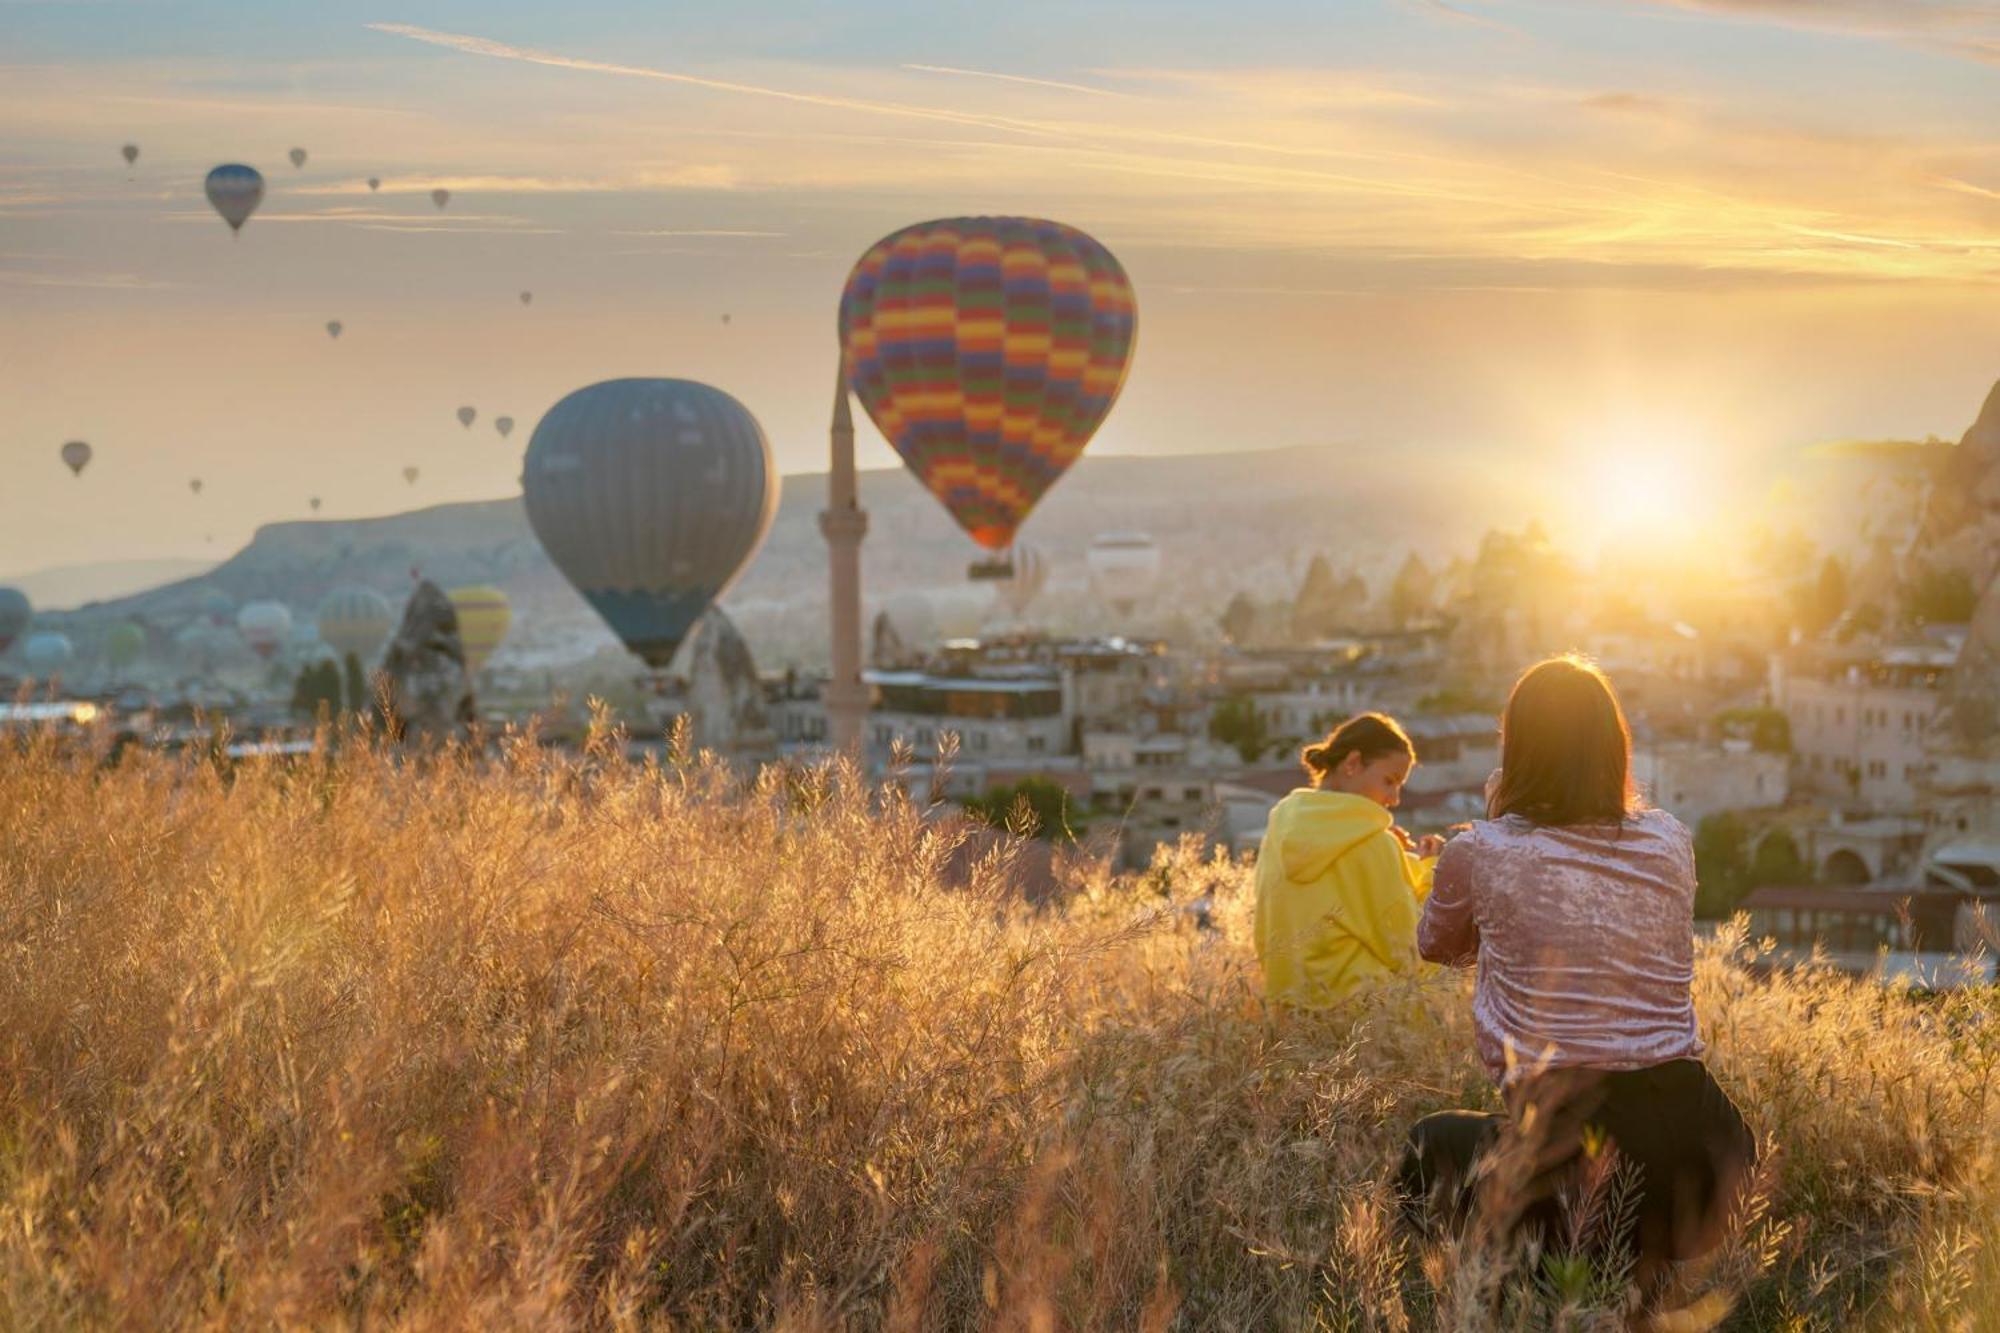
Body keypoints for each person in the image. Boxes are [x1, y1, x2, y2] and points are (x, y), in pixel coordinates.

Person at [1397, 657, 1755, 1291]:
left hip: (1576, 1165)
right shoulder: (1670, 839)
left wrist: (1499, 818)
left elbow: (1437, 946)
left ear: (1518, 748)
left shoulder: (1478, 850)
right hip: (1711, 1155)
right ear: (1614, 746)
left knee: (1427, 1151)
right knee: (1624, 1256)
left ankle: (1482, 1303)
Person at [1254, 712, 1443, 1007]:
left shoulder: (1281, 825)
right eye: (1389, 781)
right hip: (1363, 1024)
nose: (1394, 799)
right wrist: (1431, 871)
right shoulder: (1372, 845)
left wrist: (1401, 860)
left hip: (1289, 1018)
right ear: (1352, 763)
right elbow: (1414, 954)